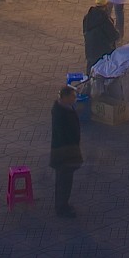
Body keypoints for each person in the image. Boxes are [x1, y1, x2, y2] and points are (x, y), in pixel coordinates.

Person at [49, 85, 83, 218]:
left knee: (63, 180)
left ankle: (63, 205)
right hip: (64, 153)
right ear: (65, 97)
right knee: (64, 181)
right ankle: (62, 208)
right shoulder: (61, 112)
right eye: (72, 96)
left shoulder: (63, 108)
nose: (75, 99)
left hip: (66, 152)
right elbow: (64, 134)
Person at [83, 0, 120, 70]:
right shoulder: (105, 20)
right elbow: (114, 35)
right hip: (103, 51)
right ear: (105, 6)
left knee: (90, 69)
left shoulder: (87, 17)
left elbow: (85, 32)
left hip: (90, 50)